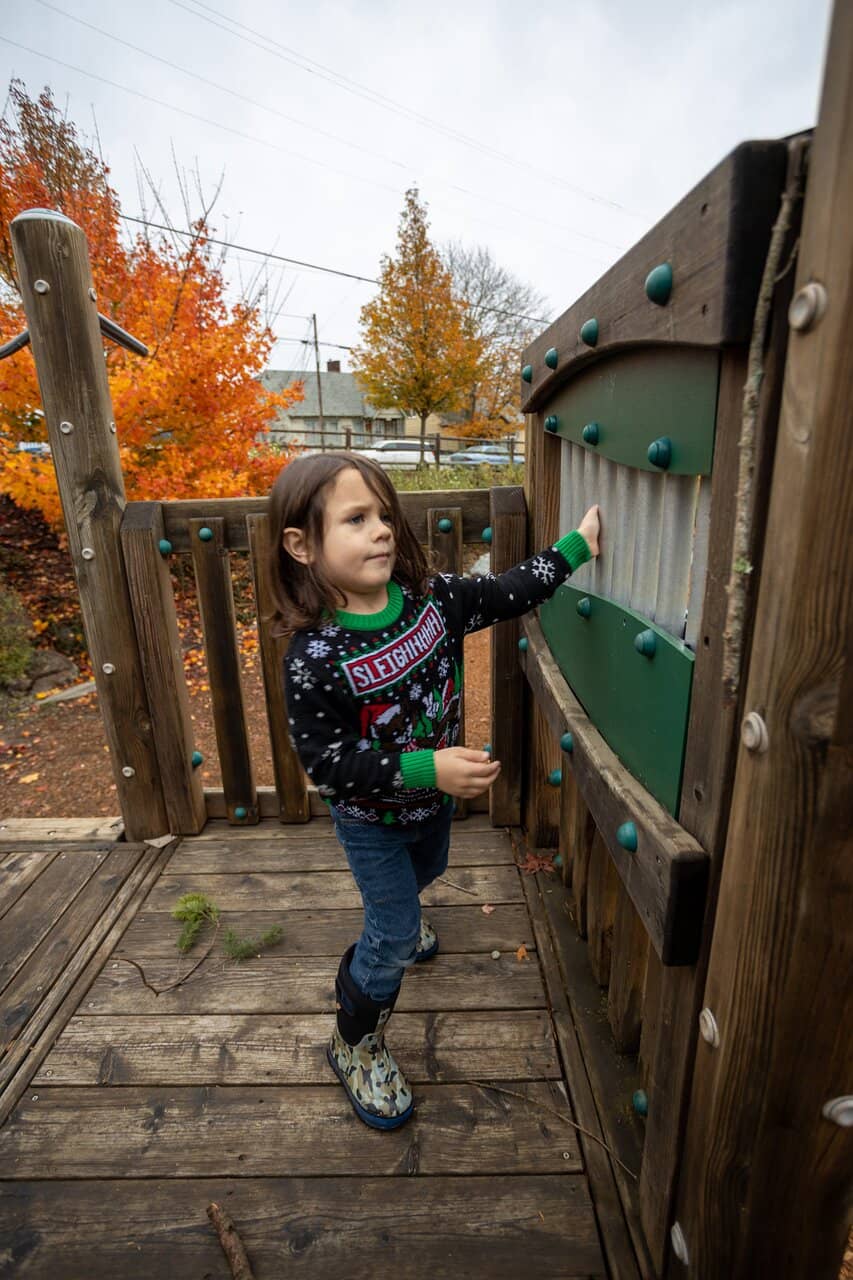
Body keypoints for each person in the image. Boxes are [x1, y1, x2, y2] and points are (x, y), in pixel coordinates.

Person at [267, 451, 600, 1131]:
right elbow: (328, 765)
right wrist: (429, 768)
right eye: (356, 519)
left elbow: (507, 591)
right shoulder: (314, 657)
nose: (381, 530)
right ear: (301, 545)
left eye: (384, 515)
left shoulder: (431, 601)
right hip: (370, 820)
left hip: (431, 808)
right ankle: (354, 1041)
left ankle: (400, 918)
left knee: (432, 868)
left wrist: (576, 547)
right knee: (389, 936)